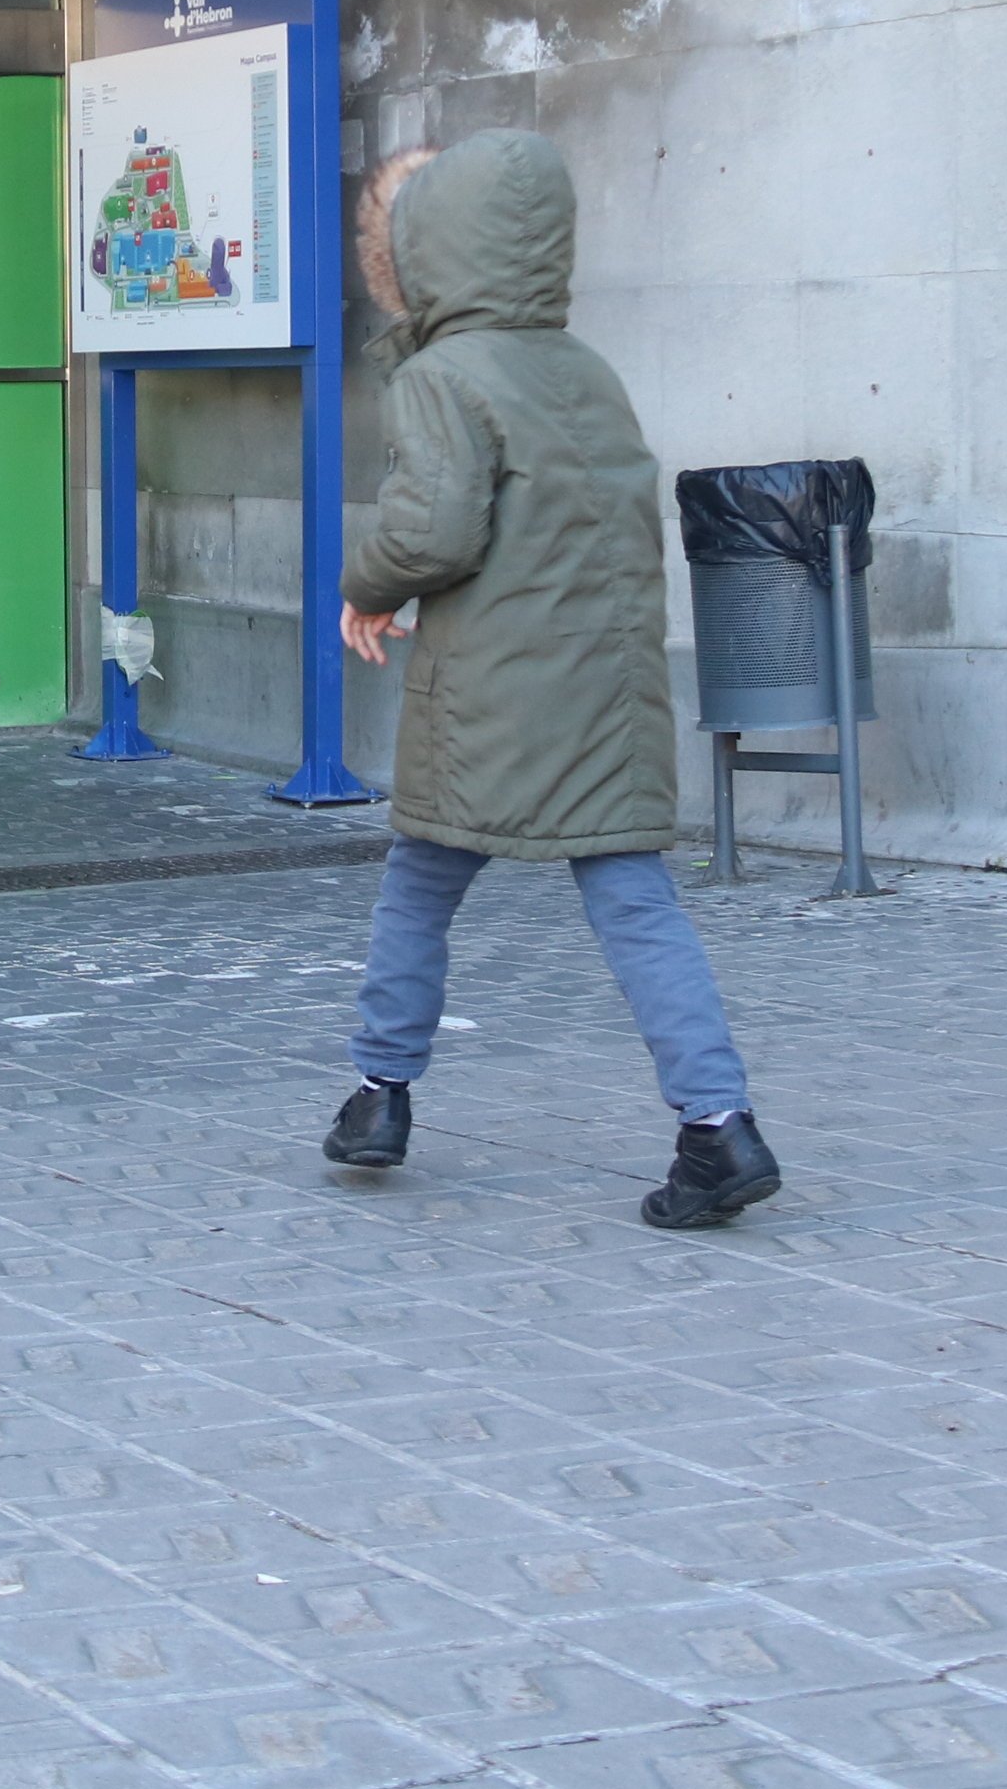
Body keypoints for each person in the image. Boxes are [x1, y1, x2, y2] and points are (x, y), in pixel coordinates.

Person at [323, 129, 778, 1230]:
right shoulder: (588, 369)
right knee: (636, 903)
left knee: (421, 883)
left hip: (488, 691)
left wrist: (367, 584)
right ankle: (719, 1124)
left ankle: (380, 1097)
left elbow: (433, 528)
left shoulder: (443, 376)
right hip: (608, 690)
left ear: (432, 250)